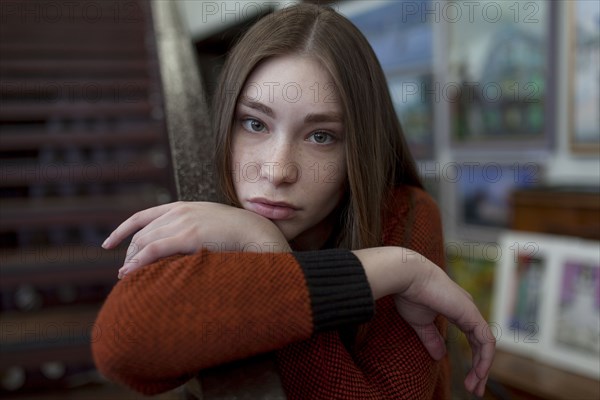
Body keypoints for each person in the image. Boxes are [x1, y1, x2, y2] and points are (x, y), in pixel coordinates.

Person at [92, 3, 495, 399]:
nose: (278, 170)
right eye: (255, 123)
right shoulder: (209, 216)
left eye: (321, 136)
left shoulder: (403, 212)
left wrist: (269, 256)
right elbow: (122, 344)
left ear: (361, 148)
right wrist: (265, 242)